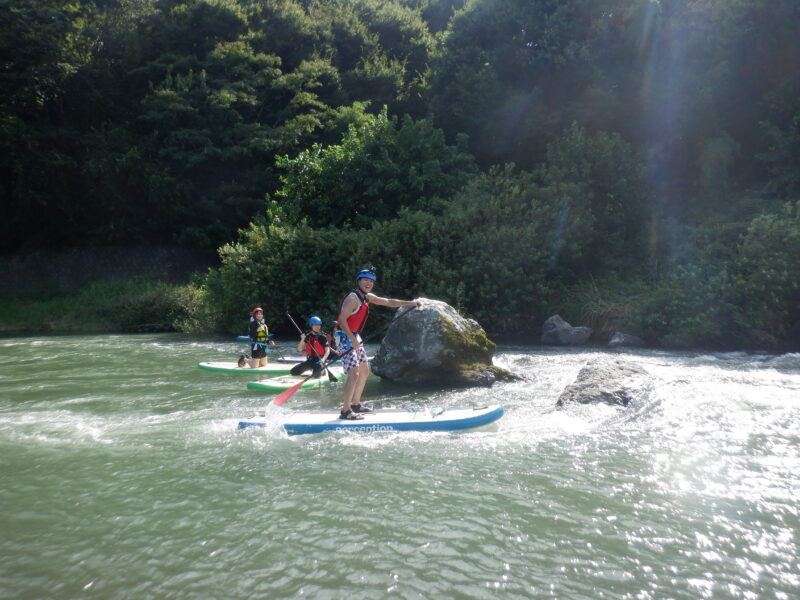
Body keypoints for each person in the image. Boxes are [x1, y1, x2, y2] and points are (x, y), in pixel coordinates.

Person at [337, 268, 419, 420]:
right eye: (365, 280)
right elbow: (341, 320)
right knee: (354, 374)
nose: (368, 283)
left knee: (364, 372)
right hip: (344, 336)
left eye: (371, 281)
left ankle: (355, 404)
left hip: (355, 336)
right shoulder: (353, 299)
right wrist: (352, 339)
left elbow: (388, 302)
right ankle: (345, 411)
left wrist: (411, 303)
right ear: (358, 282)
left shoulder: (367, 297)